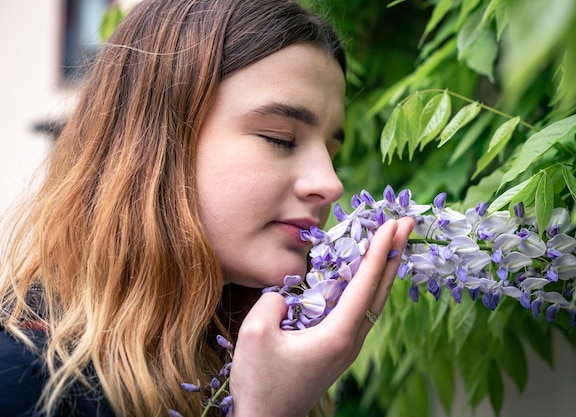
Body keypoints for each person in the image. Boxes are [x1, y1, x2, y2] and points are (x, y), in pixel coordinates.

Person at [0, 0, 414, 416]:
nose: (331, 184)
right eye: (281, 138)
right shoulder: (20, 378)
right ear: (157, 144)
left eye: (331, 151)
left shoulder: (248, 364)